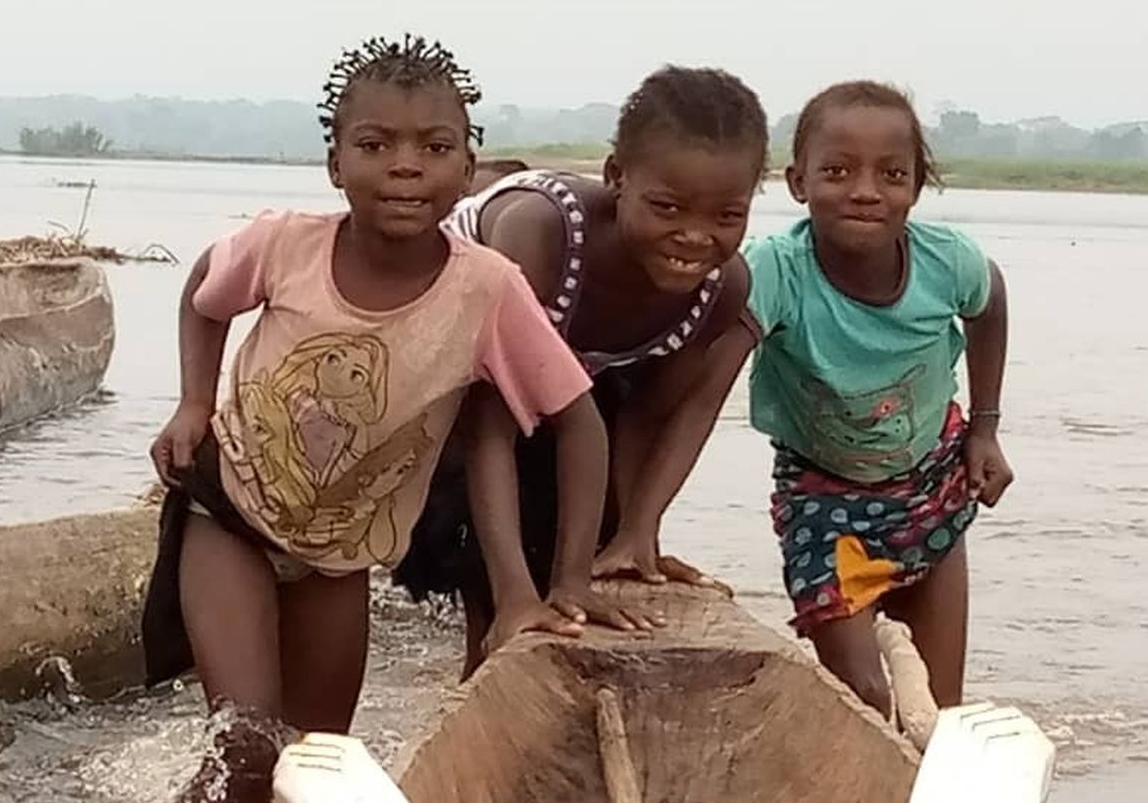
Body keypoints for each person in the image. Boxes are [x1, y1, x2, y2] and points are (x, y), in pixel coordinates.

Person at [140, 35, 606, 803]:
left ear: (468, 168)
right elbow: (203, 289)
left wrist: (567, 585)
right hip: (230, 517)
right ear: (335, 163)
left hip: (338, 562)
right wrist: (194, 402)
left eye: (434, 147)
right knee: (247, 751)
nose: (405, 167)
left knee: (318, 774)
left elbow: (579, 423)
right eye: (375, 144)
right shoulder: (284, 246)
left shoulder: (487, 291)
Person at [394, 65, 770, 677]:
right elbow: (489, 425)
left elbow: (648, 413)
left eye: (727, 217)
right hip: (444, 382)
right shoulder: (540, 235)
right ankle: (486, 656)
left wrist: (633, 534)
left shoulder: (721, 287)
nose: (694, 236)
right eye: (668, 207)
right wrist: (517, 595)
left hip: (572, 393)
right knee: (495, 591)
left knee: (579, 558)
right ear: (617, 176)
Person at [744, 81, 1013, 718]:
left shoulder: (946, 263)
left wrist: (985, 428)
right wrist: (641, 524)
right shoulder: (776, 272)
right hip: (823, 502)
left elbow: (991, 302)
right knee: (863, 698)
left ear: (916, 188)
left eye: (892, 174)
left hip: (930, 489)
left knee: (938, 712)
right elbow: (702, 379)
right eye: (838, 171)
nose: (866, 191)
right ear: (798, 183)